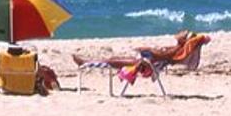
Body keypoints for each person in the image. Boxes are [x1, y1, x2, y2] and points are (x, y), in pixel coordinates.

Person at [72, 30, 210, 68]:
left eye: (184, 32)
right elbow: (162, 54)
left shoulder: (176, 50)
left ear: (183, 39)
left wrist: (147, 49)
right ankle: (85, 62)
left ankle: (85, 63)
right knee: (112, 59)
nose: (181, 31)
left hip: (145, 64)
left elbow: (160, 56)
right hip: (145, 61)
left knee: (112, 60)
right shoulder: (176, 48)